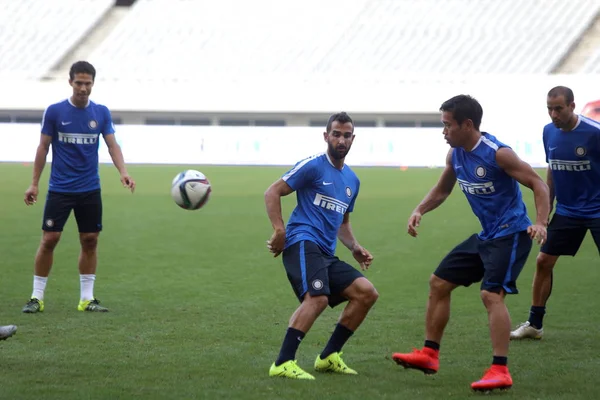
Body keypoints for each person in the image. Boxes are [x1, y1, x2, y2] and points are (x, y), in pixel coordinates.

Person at [391, 95, 550, 392]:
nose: (443, 131)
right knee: (439, 282)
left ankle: (500, 370)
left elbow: (538, 183)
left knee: (491, 295)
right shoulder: (456, 155)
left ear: (467, 124)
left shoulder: (498, 154)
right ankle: (429, 354)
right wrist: (419, 210)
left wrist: (540, 222)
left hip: (512, 234)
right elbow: (442, 190)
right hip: (487, 235)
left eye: (447, 125)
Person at [264, 112, 379, 380]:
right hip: (302, 242)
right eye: (336, 134)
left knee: (366, 293)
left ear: (353, 139)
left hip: (326, 253)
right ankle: (283, 362)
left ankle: (328, 357)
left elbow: (342, 222)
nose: (341, 139)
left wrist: (355, 247)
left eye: (346, 135)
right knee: (317, 298)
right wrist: (279, 230)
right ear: (326, 136)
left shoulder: (352, 180)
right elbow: (273, 191)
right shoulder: (313, 166)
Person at [21, 61, 135, 314]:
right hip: (60, 188)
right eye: (79, 83)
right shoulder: (55, 112)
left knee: (90, 240)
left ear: (93, 84)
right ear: (70, 82)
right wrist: (34, 184)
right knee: (50, 239)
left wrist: (123, 172)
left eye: (88, 83)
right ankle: (36, 297)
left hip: (89, 189)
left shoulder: (101, 113)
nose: (83, 88)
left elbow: (112, 145)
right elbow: (43, 148)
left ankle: (86, 299)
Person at [511, 86, 600, 340]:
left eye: (558, 109)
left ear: (572, 106)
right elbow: (552, 171)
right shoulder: (548, 132)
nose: (553, 114)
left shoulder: (594, 133)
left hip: (597, 210)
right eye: (549, 109)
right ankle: (535, 325)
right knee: (543, 262)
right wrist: (546, 211)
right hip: (568, 211)